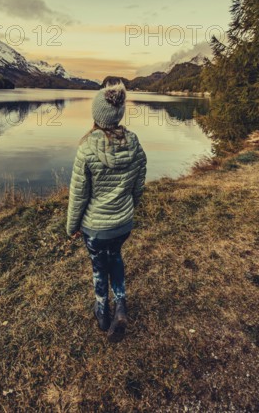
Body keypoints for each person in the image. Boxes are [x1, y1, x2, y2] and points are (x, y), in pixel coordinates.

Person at [66, 79, 147, 342]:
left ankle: (102, 311)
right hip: (123, 224)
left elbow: (78, 195)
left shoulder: (86, 149)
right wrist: (129, 208)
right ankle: (121, 304)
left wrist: (72, 227)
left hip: (95, 228)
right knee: (116, 258)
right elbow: (138, 186)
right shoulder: (134, 144)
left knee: (99, 267)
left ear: (97, 115)